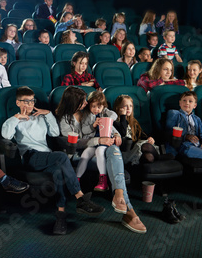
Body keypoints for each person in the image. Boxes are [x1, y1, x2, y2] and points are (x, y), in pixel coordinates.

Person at [3, 86, 105, 235]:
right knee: (62, 157)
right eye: (26, 101)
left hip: (46, 156)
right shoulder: (14, 120)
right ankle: (80, 198)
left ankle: (61, 215)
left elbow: (55, 132)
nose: (30, 104)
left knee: (57, 172)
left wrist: (48, 114)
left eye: (32, 101)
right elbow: (5, 135)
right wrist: (16, 118)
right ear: (18, 103)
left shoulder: (41, 117)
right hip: (31, 156)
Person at [56, 86, 146, 234]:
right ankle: (128, 210)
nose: (86, 103)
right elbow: (75, 143)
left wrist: (116, 136)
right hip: (80, 154)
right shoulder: (65, 119)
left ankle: (119, 195)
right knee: (112, 154)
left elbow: (109, 124)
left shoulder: (92, 111)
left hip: (100, 149)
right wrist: (99, 139)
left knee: (113, 149)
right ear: (74, 103)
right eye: (83, 101)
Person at [76, 91, 120, 191]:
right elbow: (84, 130)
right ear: (89, 105)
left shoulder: (104, 112)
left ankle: (103, 180)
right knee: (85, 155)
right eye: (94, 106)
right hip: (93, 140)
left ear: (103, 106)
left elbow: (114, 115)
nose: (96, 109)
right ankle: (76, 179)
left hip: (105, 140)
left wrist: (107, 119)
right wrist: (93, 125)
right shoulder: (86, 115)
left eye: (99, 107)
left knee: (99, 151)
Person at [113, 95, 165, 165]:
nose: (128, 108)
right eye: (125, 106)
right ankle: (159, 157)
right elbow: (123, 133)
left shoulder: (133, 121)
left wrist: (148, 138)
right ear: (118, 108)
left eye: (130, 106)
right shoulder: (115, 122)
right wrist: (123, 116)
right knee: (143, 146)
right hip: (126, 152)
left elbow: (141, 134)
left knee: (149, 156)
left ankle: (156, 157)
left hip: (138, 152)